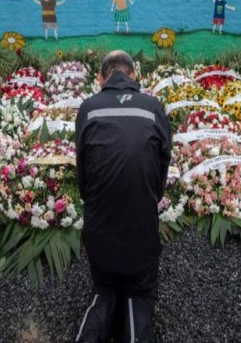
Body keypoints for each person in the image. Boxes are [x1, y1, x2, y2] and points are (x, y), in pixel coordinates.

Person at [75, 51, 171, 343]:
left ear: (101, 79)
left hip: (99, 238)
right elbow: (159, 177)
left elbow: (84, 179)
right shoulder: (153, 107)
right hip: (141, 238)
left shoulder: (88, 109)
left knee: (103, 291)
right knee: (138, 295)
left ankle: (105, 296)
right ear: (134, 76)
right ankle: (133, 301)